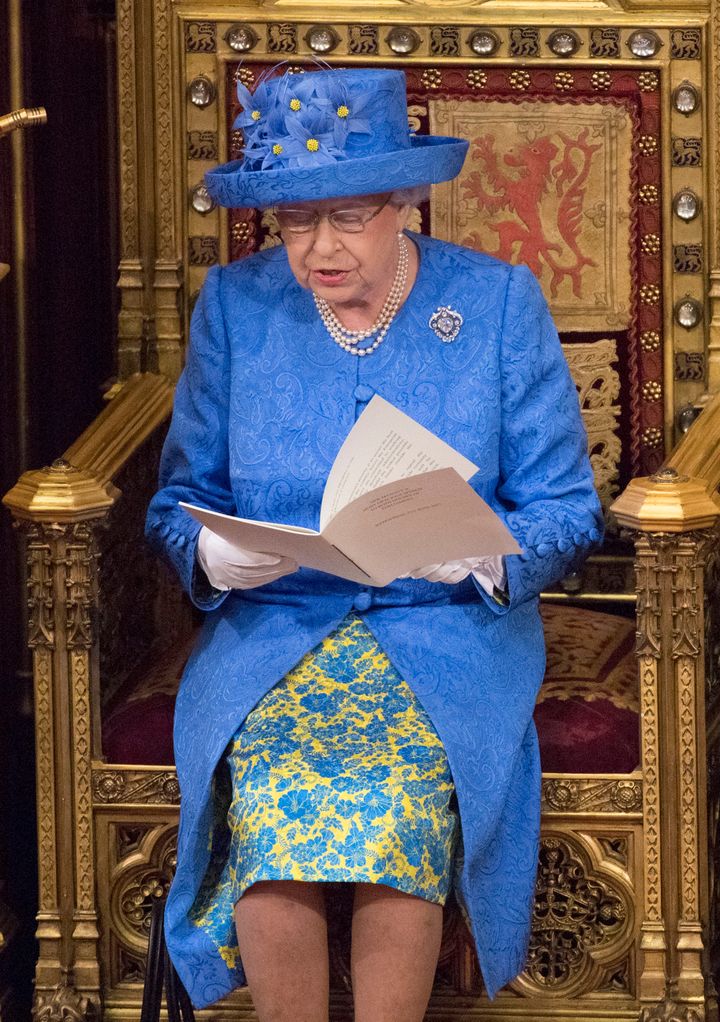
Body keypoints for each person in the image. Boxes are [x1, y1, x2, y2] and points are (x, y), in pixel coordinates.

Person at [145, 66, 603, 1022]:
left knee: (396, 800)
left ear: (406, 199)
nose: (320, 249)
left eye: (348, 217)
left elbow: (565, 507)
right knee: (275, 800)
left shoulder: (494, 305)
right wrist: (215, 557)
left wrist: (474, 551)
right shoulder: (236, 307)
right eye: (295, 224)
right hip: (275, 642)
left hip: (445, 641)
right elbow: (179, 499)